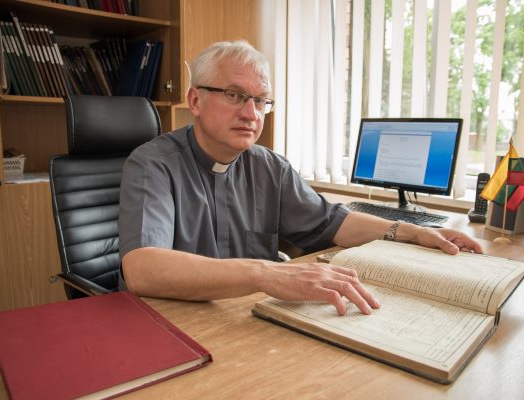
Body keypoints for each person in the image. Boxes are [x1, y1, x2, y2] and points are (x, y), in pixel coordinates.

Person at [119, 40, 482, 316]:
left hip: (245, 318)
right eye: (234, 95)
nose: (251, 114)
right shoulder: (152, 164)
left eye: (260, 100)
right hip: (172, 324)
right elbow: (142, 269)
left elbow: (332, 222)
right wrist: (266, 274)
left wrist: (412, 232)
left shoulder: (269, 166)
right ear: (195, 101)